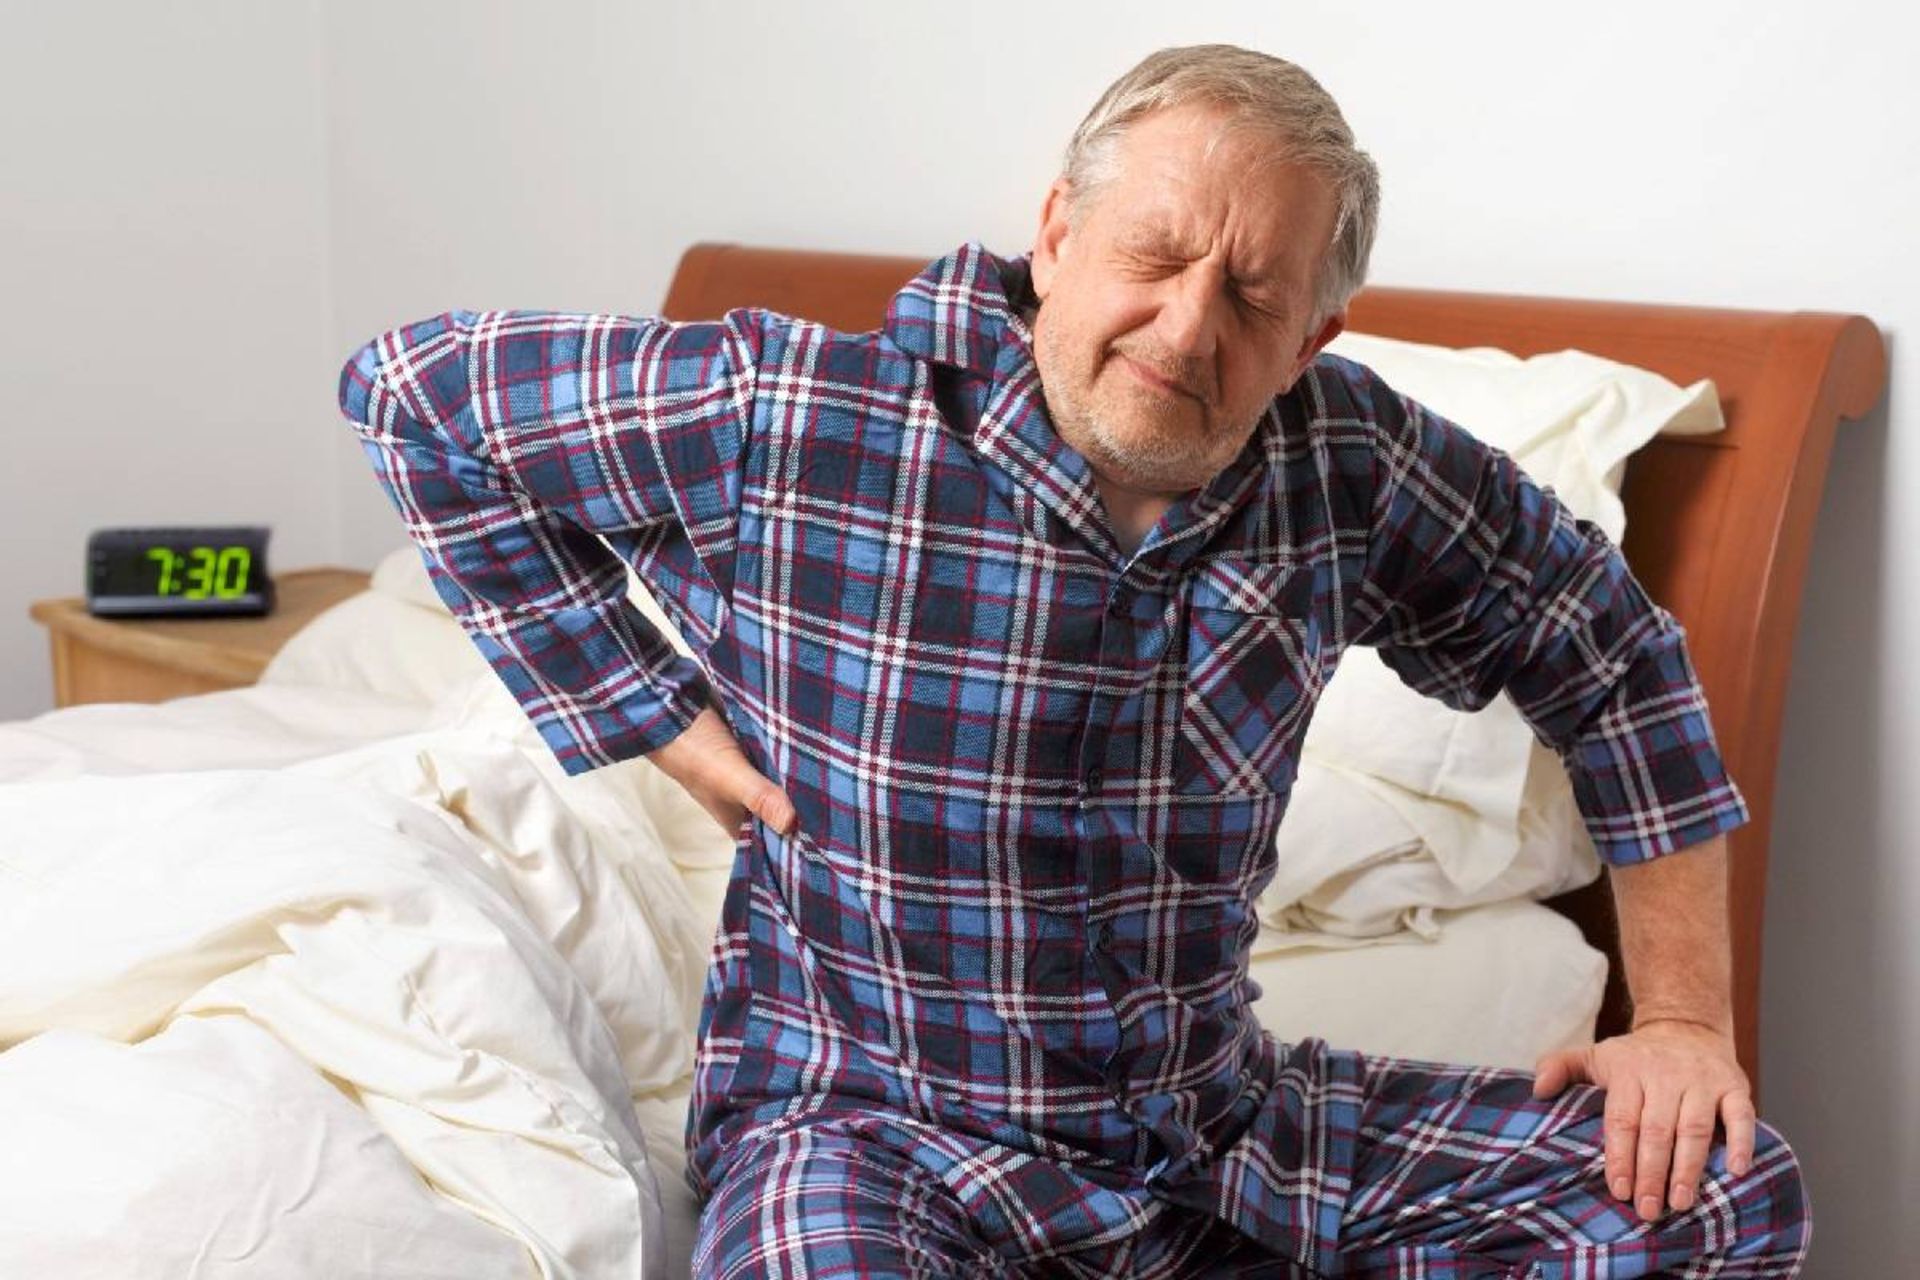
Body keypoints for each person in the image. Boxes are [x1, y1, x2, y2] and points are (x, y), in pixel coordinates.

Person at [337, 43, 1808, 1279]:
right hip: (870, 1139)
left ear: (1311, 339)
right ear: (1055, 237)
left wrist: (1682, 1023)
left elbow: (1612, 653)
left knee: (1725, 1193)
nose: (1188, 325)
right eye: (1154, 255)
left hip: (1213, 1141)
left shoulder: (1348, 464)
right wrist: (643, 710)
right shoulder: (791, 413)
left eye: (1253, 297)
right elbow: (412, 393)